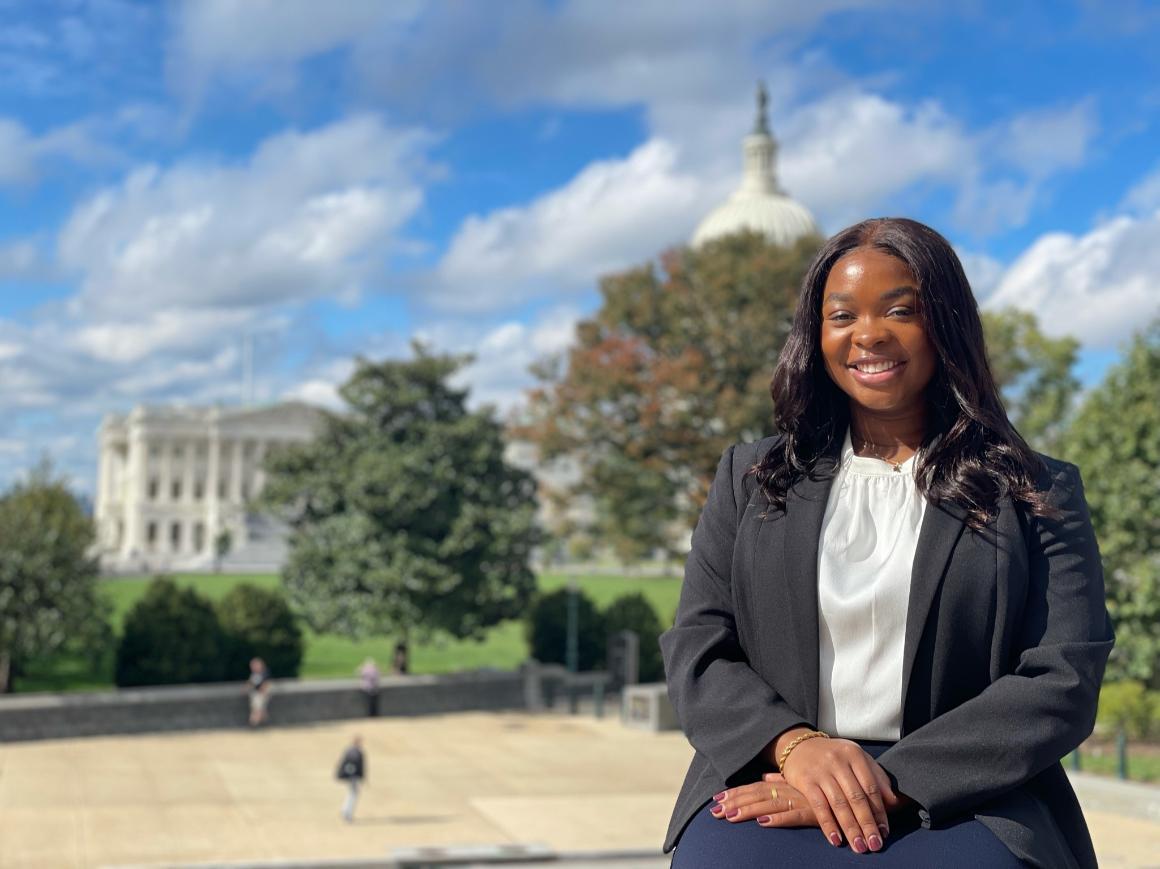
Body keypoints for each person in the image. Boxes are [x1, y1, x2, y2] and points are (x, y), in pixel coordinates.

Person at [661, 218, 1113, 868]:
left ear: (946, 324)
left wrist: (891, 782)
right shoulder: (752, 477)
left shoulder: (1035, 490)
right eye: (842, 314)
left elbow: (1063, 676)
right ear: (816, 336)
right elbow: (698, 648)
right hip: (772, 767)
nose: (868, 333)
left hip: (969, 791)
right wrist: (796, 746)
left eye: (899, 310)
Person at [335, 734, 366, 822]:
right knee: (353, 794)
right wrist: (354, 776)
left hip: (352, 776)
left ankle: (345, 810)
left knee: (352, 793)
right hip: (353, 777)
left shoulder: (351, 750)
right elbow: (352, 766)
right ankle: (347, 813)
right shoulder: (354, 752)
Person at [246, 657, 272, 728]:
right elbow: (251, 683)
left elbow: (266, 684)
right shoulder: (254, 674)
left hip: (260, 694)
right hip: (255, 694)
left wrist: (263, 692)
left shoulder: (264, 673)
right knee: (260, 710)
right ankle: (264, 724)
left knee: (257, 710)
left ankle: (254, 725)